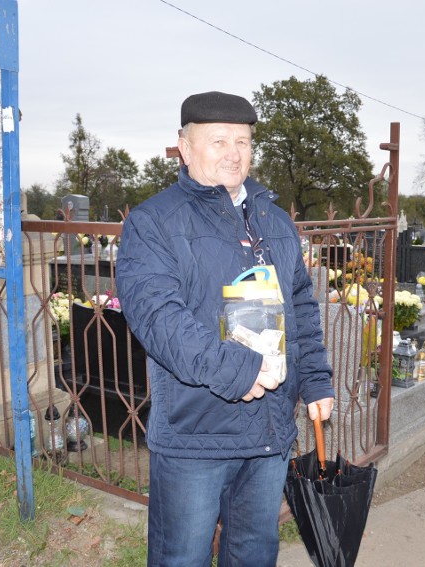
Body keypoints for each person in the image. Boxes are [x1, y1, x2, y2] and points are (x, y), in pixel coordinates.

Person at [115, 91, 335, 566]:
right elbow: (158, 319)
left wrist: (316, 379)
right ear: (183, 146)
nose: (233, 153)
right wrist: (238, 370)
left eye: (243, 140)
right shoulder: (153, 223)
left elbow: (300, 304)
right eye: (218, 141)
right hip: (198, 432)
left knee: (254, 551)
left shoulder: (274, 221)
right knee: (182, 557)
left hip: (270, 428)